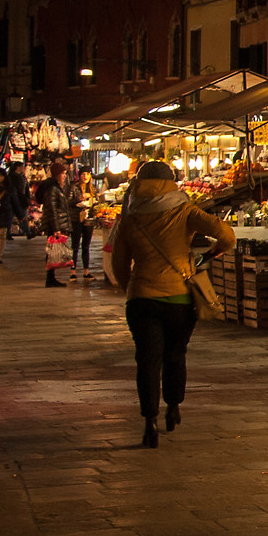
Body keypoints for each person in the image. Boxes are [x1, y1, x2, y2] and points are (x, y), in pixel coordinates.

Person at [106, 160, 236, 447]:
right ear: (172, 183)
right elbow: (227, 235)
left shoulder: (130, 217)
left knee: (147, 360)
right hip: (179, 299)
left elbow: (118, 265)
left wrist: (132, 286)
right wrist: (210, 255)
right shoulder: (184, 210)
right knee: (175, 354)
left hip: (141, 299)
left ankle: (149, 421)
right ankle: (173, 407)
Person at [0, 163, 32, 262]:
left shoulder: (11, 186)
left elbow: (16, 198)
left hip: (7, 210)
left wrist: (26, 199)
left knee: (1, 234)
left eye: (0, 176)